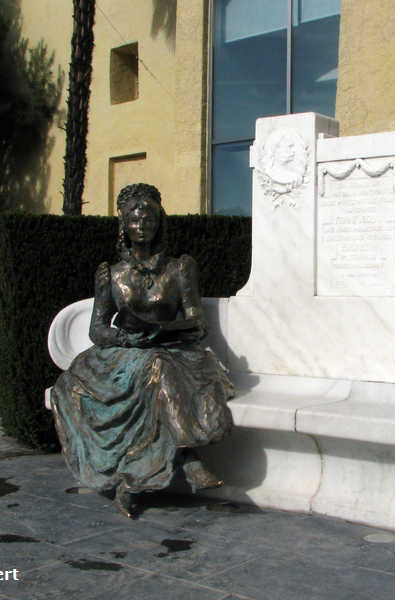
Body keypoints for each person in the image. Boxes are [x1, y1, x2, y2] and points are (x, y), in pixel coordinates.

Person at [50, 183, 234, 518]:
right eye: (134, 220)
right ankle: (185, 460)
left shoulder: (180, 268)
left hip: (172, 351)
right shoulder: (110, 274)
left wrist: (165, 329)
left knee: (157, 368)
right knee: (95, 384)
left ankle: (136, 481)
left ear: (159, 222)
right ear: (123, 224)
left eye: (149, 219)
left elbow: (198, 323)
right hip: (126, 352)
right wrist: (126, 338)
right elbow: (97, 329)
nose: (142, 226)